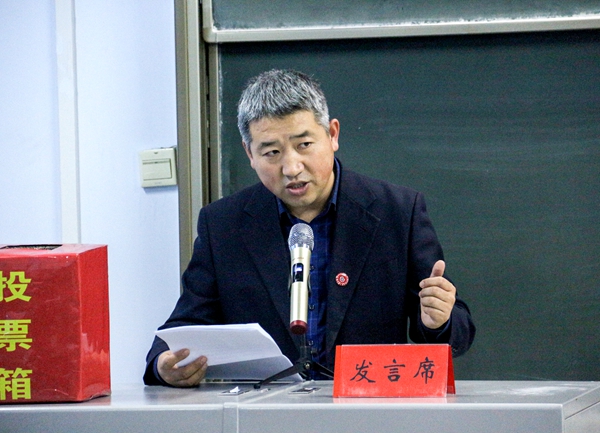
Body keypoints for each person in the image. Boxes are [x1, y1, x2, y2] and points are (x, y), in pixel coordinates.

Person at [144, 69, 475, 387]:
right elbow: (184, 326)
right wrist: (164, 366)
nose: (291, 167)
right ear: (249, 153)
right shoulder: (223, 225)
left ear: (332, 135)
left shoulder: (396, 211)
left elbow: (458, 328)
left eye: (304, 145)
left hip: (367, 406)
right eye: (272, 152)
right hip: (265, 411)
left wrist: (439, 320)